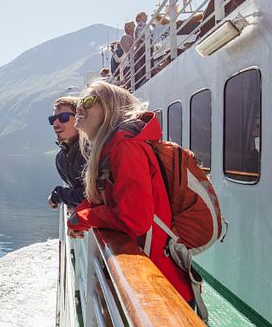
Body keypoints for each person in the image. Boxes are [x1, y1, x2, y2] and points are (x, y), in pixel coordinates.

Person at [65, 81, 194, 303]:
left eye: (87, 101)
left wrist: (85, 217)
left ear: (110, 107)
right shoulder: (112, 148)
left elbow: (135, 220)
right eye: (78, 104)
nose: (79, 108)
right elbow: (98, 200)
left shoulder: (126, 148)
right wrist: (80, 216)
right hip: (147, 274)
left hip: (160, 287)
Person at [47, 97, 86, 209]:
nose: (55, 123)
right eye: (52, 119)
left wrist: (59, 195)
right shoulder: (61, 159)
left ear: (79, 118)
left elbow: (94, 196)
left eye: (63, 117)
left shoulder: (91, 150)